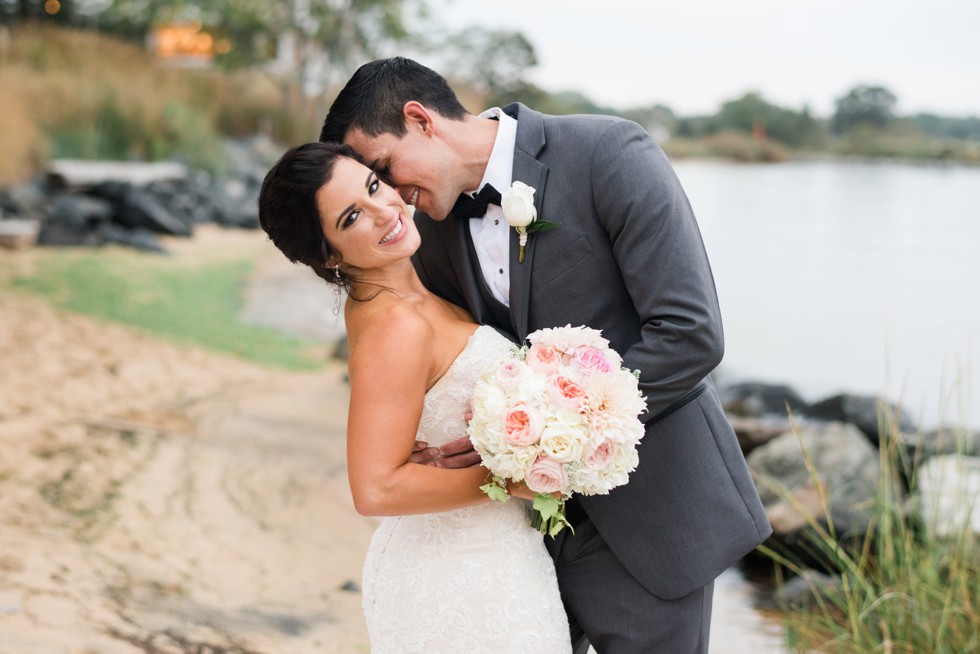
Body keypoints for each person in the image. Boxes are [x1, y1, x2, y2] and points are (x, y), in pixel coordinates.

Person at [320, 57, 773, 654]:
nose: (394, 197)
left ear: (420, 120)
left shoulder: (610, 152)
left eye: (382, 170)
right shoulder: (426, 228)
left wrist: (542, 443)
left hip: (649, 514)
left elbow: (689, 333)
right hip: (511, 547)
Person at [257, 142, 571, 653]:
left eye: (374, 186)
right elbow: (375, 489)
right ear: (328, 254)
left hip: (485, 558)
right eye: (354, 215)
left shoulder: (404, 294)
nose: (386, 211)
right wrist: (510, 479)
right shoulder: (394, 326)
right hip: (464, 575)